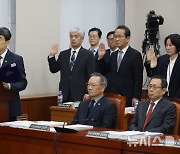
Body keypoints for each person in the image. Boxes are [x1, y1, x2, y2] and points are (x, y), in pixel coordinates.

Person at [98, 25, 143, 107]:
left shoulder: (135, 55)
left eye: (120, 36)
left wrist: (136, 96)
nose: (117, 39)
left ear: (128, 39)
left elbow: (138, 78)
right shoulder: (114, 55)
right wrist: (101, 58)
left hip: (128, 95)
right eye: (115, 36)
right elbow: (106, 71)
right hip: (113, 95)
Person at [48, 27, 95, 102]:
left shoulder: (88, 55)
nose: (73, 39)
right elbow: (54, 69)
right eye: (71, 36)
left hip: (80, 94)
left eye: (76, 36)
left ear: (82, 39)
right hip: (64, 93)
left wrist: (88, 93)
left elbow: (91, 75)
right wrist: (52, 56)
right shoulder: (63, 54)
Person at [0, 27, 27, 121]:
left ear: (8, 42)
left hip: (9, 107)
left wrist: (9, 86)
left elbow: (23, 83)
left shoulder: (15, 59)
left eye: (0, 38)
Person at [145, 33, 180, 98]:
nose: (168, 48)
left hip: (177, 98)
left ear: (177, 46)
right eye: (166, 45)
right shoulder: (162, 59)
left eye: (170, 45)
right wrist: (152, 65)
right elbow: (153, 77)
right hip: (162, 97)